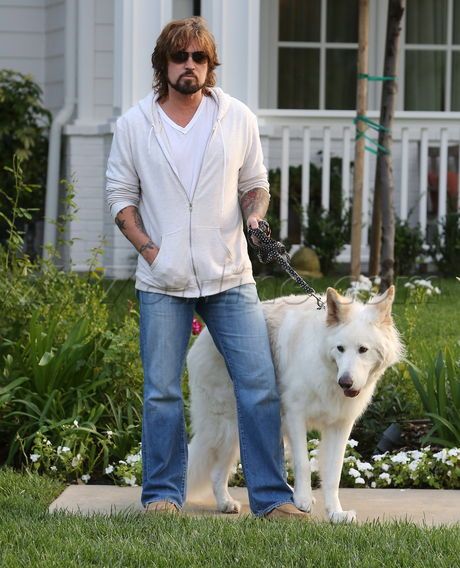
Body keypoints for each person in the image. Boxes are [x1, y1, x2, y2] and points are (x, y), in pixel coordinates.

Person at [106, 16, 307, 519]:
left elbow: (255, 183)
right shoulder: (134, 123)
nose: (189, 65)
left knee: (259, 385)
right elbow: (120, 197)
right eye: (180, 57)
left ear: (209, 65)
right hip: (162, 280)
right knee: (161, 393)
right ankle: (162, 497)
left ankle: (272, 499)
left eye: (199, 57)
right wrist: (153, 251)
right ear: (163, 64)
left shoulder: (237, 117)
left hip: (230, 274)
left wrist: (255, 218)